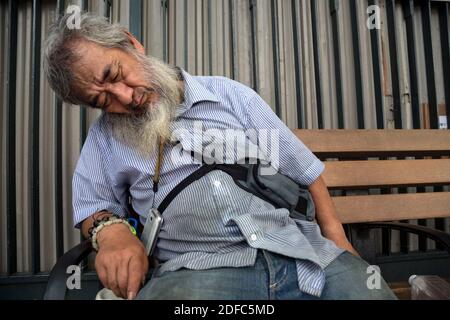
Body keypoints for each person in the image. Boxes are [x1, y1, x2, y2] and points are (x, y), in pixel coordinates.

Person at [43, 13, 396, 300]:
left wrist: (336, 236)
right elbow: (92, 207)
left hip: (302, 253)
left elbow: (303, 168)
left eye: (116, 75)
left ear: (131, 43)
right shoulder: (105, 138)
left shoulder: (228, 94)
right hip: (200, 273)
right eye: (104, 101)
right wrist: (113, 234)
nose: (124, 97)